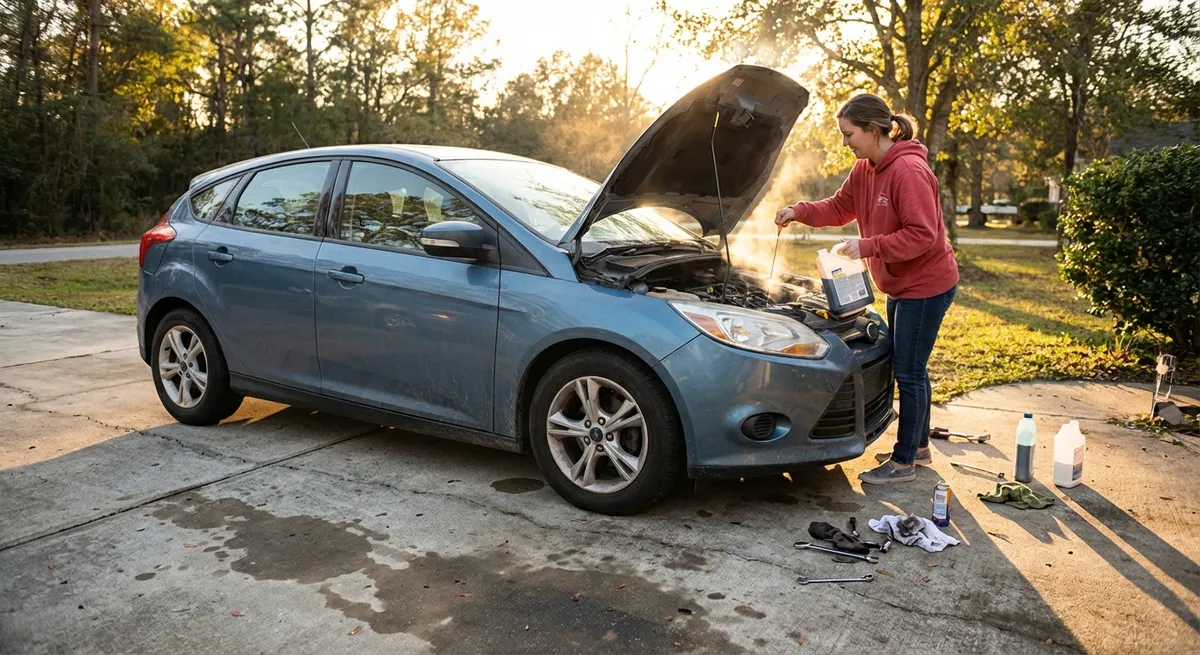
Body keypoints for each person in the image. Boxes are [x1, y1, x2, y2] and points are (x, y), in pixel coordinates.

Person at [775, 93, 959, 485]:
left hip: (926, 286)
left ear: (874, 130)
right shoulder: (865, 168)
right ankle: (920, 446)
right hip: (900, 284)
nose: (846, 142)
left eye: (849, 134)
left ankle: (904, 461)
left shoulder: (908, 171)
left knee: (908, 372)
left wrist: (868, 246)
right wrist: (800, 211)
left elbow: (922, 235)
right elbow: (840, 207)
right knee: (910, 367)